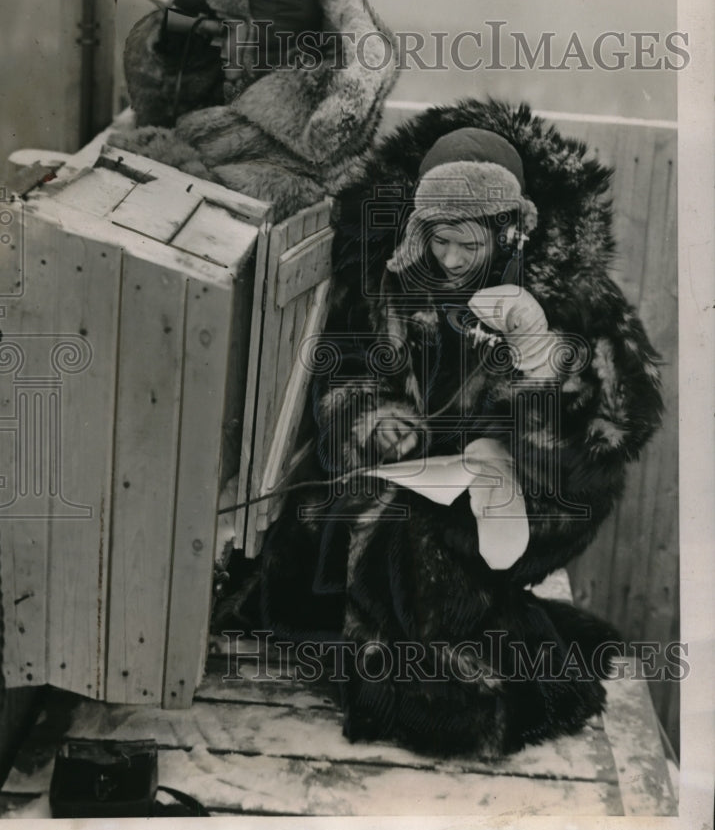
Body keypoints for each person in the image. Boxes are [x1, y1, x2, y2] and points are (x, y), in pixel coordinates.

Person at [257, 104, 664, 758]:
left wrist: (539, 363)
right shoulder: (397, 277)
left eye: (466, 244)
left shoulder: (573, 296)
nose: (449, 259)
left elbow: (617, 427)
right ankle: (401, 663)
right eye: (437, 238)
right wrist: (375, 417)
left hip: (542, 496)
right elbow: (348, 369)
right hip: (429, 470)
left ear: (511, 232)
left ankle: (486, 701)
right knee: (318, 525)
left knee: (420, 552)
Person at [110, 0, 398, 223]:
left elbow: (201, 199)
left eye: (230, 30)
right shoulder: (317, 106)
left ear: (263, 41)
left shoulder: (271, 134)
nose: (218, 42)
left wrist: (153, 149)